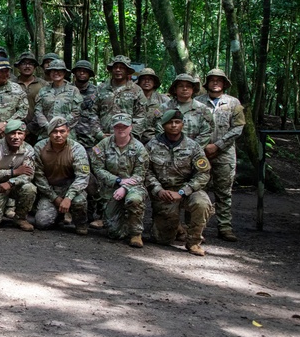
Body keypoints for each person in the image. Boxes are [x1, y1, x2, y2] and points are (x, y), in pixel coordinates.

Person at [146, 109, 213, 256]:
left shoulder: (193, 146)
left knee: (202, 203)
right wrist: (158, 190)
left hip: (187, 190)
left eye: (177, 122)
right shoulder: (152, 145)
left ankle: (194, 241)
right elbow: (146, 171)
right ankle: (177, 227)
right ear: (163, 125)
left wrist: (183, 192)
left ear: (183, 124)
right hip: (164, 193)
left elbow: (203, 174)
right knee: (162, 240)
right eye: (170, 122)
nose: (174, 125)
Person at [195, 68, 246, 242]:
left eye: (219, 80)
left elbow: (238, 127)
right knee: (198, 190)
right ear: (207, 83)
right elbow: (192, 126)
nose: (215, 83)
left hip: (225, 154)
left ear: (224, 83)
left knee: (224, 192)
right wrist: (203, 147)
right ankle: (195, 229)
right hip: (201, 154)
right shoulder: (198, 102)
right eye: (212, 80)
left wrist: (218, 145)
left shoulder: (233, 103)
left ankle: (225, 227)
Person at [90, 113, 149, 247]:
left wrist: (125, 187)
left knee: (134, 200)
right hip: (111, 188)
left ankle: (136, 233)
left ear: (131, 128)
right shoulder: (103, 145)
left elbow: (141, 174)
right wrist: (117, 181)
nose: (121, 129)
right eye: (118, 127)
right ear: (113, 128)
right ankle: (122, 223)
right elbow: (97, 169)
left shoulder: (139, 148)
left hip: (134, 186)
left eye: (124, 126)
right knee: (115, 233)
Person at [32, 117, 90, 233]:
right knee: (42, 223)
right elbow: (38, 176)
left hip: (71, 188)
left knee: (79, 202)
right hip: (50, 189)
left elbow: (82, 176)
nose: (58, 135)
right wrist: (54, 198)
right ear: (49, 133)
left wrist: (68, 197)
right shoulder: (39, 148)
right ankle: (58, 215)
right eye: (54, 131)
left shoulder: (77, 149)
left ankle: (81, 222)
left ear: (68, 132)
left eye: (62, 131)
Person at [0, 119, 36, 231]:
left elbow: (28, 175)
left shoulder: (28, 149)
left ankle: (20, 218)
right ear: (5, 134)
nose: (16, 137)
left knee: (30, 188)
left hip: (15, 185)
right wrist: (13, 172)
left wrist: (11, 182)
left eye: (20, 133)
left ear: (24, 135)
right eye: (12, 133)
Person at [140, 73, 214, 146]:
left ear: (193, 89)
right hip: (166, 150)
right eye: (181, 86)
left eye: (188, 86)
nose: (185, 88)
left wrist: (192, 148)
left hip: (194, 153)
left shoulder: (203, 109)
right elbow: (156, 129)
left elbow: (207, 132)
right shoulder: (163, 108)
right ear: (175, 89)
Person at [95, 55, 145, 133]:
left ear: (127, 71)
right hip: (104, 138)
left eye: (122, 68)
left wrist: (130, 136)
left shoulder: (136, 90)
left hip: (127, 138)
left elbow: (140, 117)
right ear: (112, 70)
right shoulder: (100, 89)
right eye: (115, 67)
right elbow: (92, 113)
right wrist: (99, 134)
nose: (118, 70)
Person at [34, 60, 82, 136]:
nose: (56, 73)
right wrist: (48, 126)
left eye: (59, 70)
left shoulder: (73, 90)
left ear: (64, 72)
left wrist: (62, 126)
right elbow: (38, 111)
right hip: (46, 133)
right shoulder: (43, 90)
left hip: (66, 133)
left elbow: (76, 112)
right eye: (53, 71)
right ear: (49, 73)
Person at [13, 52, 47, 140]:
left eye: (30, 64)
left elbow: (46, 108)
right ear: (18, 66)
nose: (27, 66)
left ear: (35, 67)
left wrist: (30, 128)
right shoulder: (11, 84)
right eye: (23, 63)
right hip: (15, 130)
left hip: (39, 130)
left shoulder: (43, 85)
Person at [71, 60, 104, 151]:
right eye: (79, 71)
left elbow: (102, 113)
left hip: (91, 139)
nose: (82, 73)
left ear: (90, 74)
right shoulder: (67, 90)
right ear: (74, 73)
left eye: (85, 71)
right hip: (70, 137)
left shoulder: (97, 92)